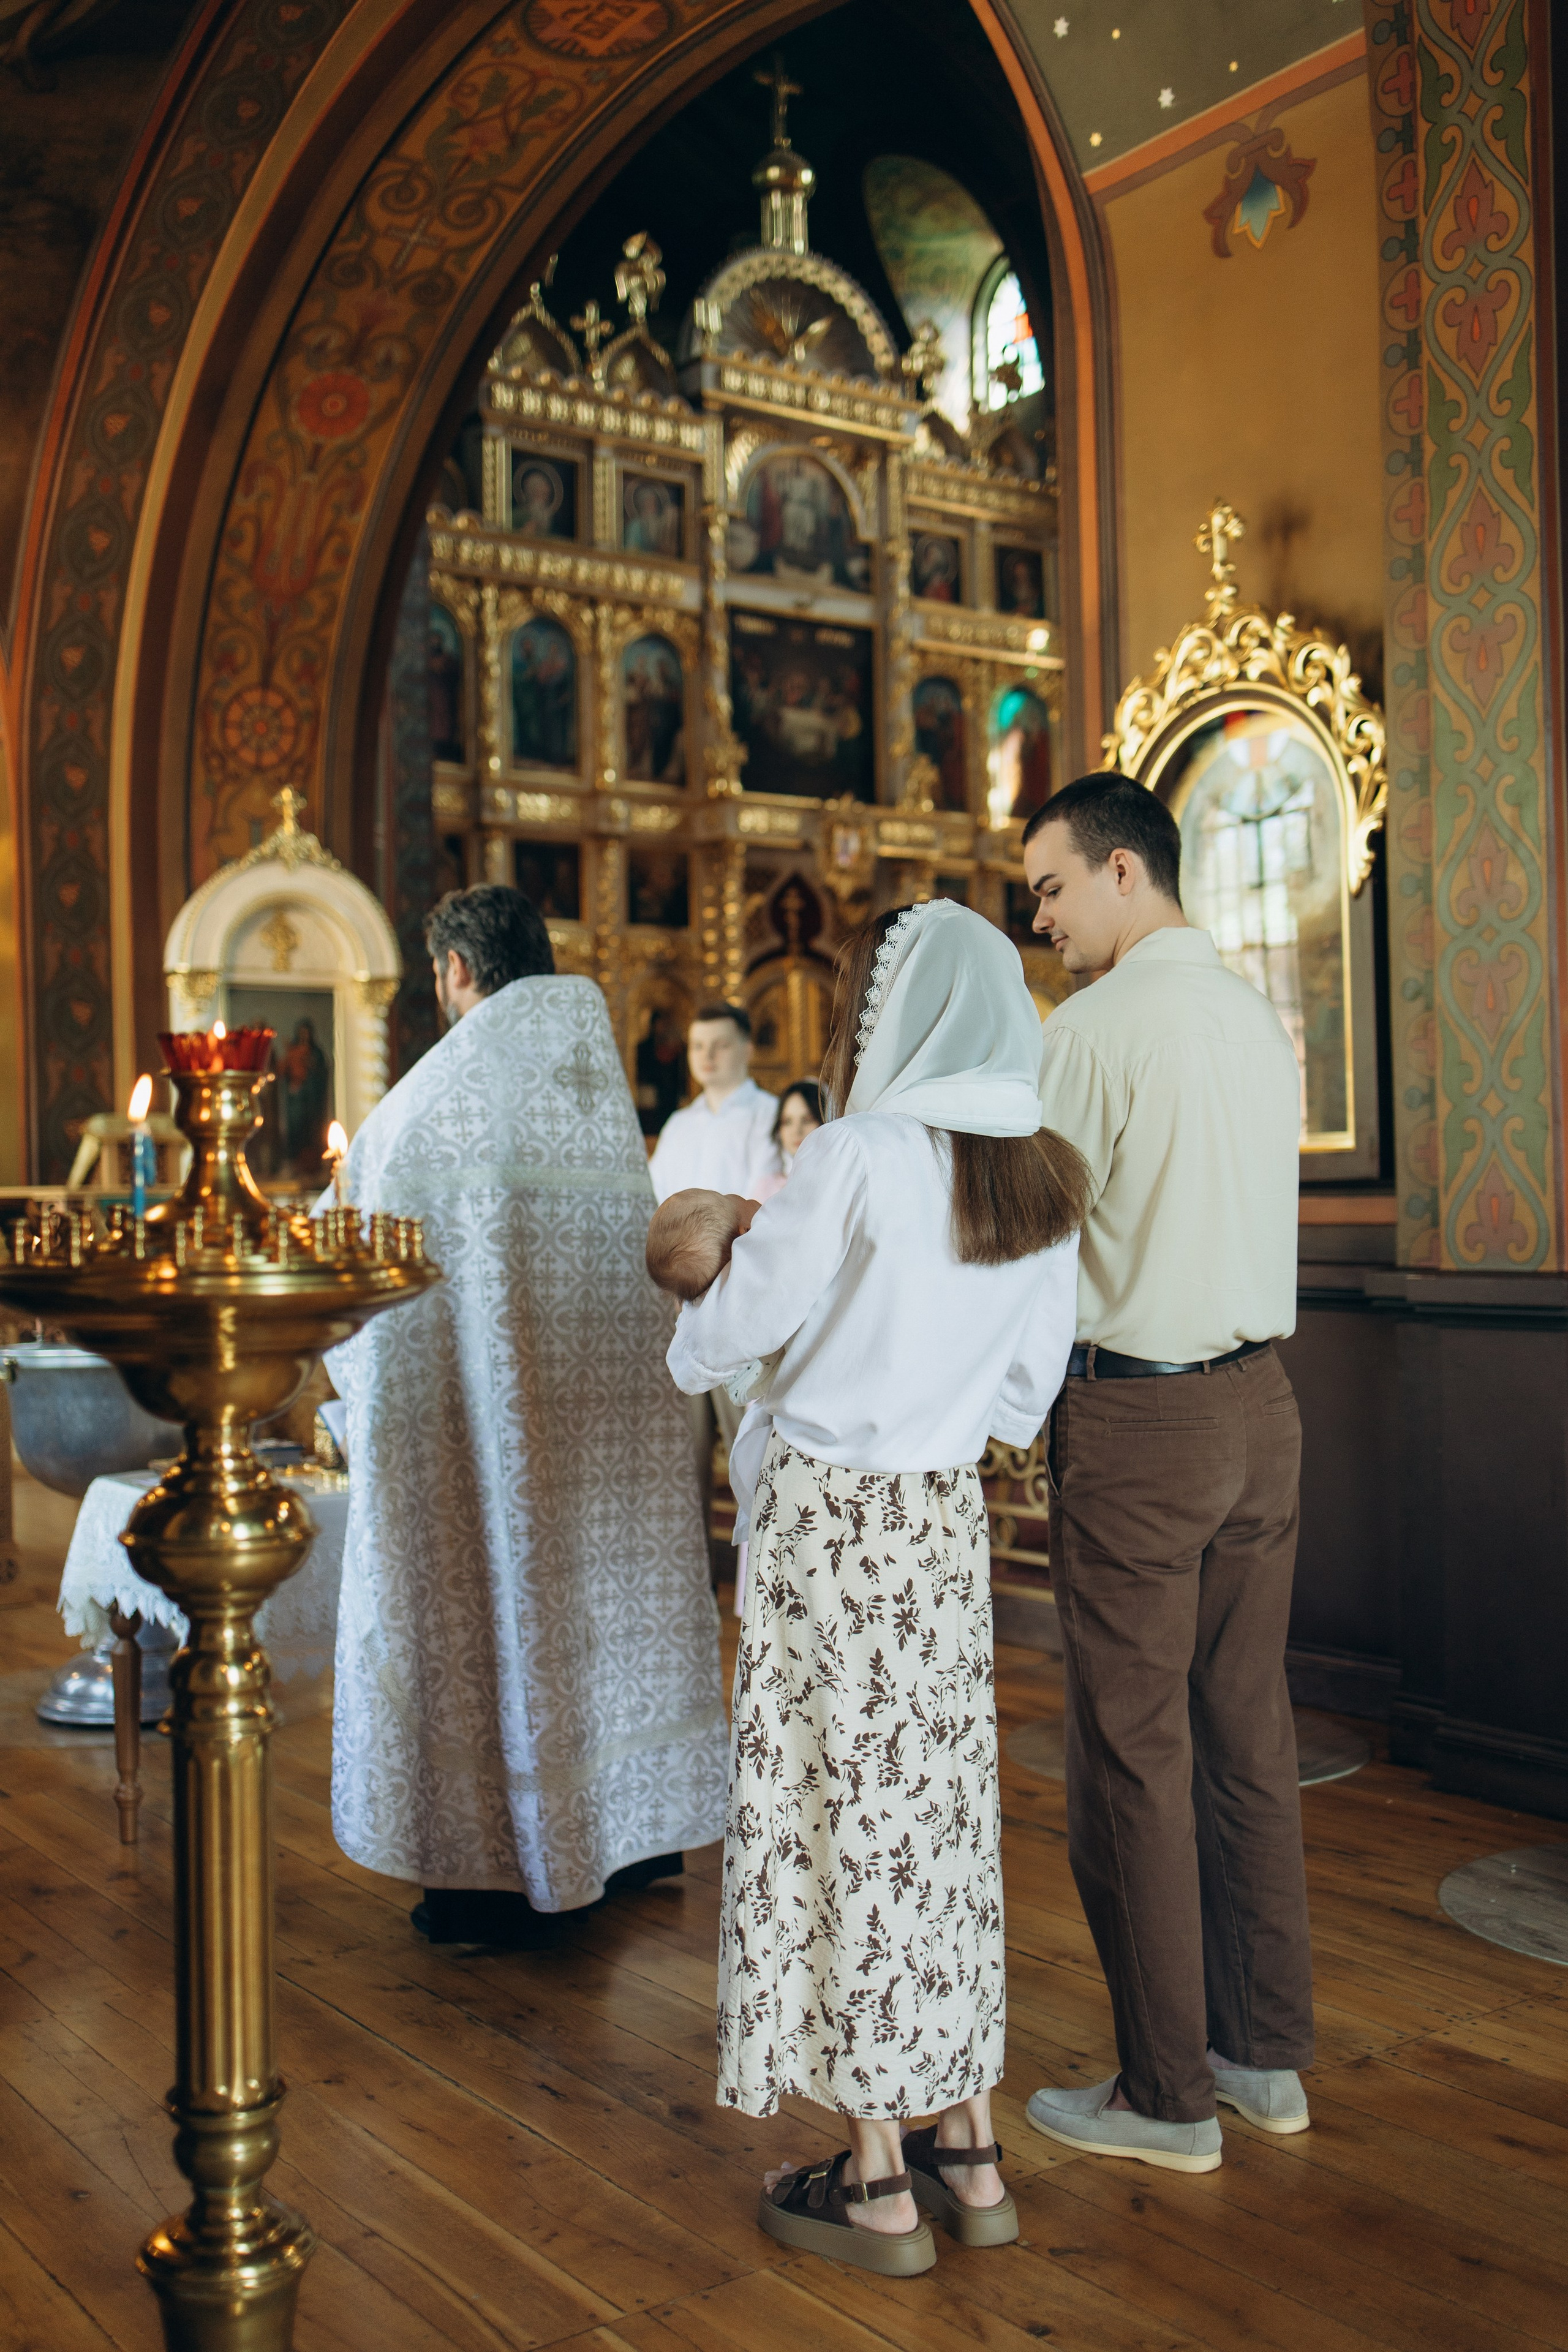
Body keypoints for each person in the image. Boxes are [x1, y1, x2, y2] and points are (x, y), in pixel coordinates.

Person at [668, 899, 1087, 2277]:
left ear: (893, 1014)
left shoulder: (853, 1156)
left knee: (831, 1822)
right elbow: (1024, 1398)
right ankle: (968, 2147)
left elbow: (714, 1341)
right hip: (937, 1532)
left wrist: (711, 1261)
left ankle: (875, 2180)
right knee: (938, 1827)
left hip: (821, 1536)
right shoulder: (1039, 1178)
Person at [325, 883, 726, 1947]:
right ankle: (628, 1839)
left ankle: (495, 1872)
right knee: (596, 1609)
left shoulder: (432, 1099)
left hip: (483, 1433)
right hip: (599, 1427)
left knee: (494, 1614)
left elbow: (349, 1249)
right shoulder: (590, 1083)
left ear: (457, 971)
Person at [1020, 774, 1312, 2173]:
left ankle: (1162, 2094)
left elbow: (1023, 1235)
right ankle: (1261, 2059)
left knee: (1131, 1754)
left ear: (1124, 872)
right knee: (1246, 1734)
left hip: (1140, 1421)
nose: (1042, 916)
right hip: (1262, 1405)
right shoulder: (1254, 1016)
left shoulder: (1093, 1027)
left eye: (1051, 886)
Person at [649, 1005, 779, 1541]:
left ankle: (757, 1557)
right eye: (698, 1045)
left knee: (747, 1431)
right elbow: (658, 1206)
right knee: (687, 1444)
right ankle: (696, 1565)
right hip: (681, 1296)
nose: (705, 1056)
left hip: (737, 1291)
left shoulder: (768, 1112)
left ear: (746, 1048)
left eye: (719, 1045)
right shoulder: (680, 1124)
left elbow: (759, 1202)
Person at [754, 1078, 822, 1200]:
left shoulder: (839, 1183)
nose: (796, 1131)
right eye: (787, 1122)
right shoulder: (766, 1188)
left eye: (807, 1120)